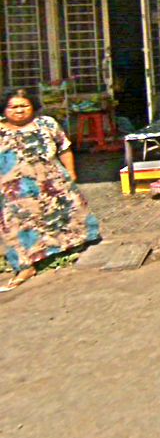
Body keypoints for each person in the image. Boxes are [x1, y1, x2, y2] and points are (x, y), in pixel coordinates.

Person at [0, 87, 101, 291]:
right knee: (16, 226)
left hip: (52, 183)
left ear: (33, 107)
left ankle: (73, 247)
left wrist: (71, 172)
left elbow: (64, 148)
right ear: (4, 109)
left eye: (24, 106)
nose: (19, 110)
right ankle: (26, 267)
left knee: (66, 214)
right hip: (14, 190)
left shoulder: (47, 124)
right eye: (13, 107)